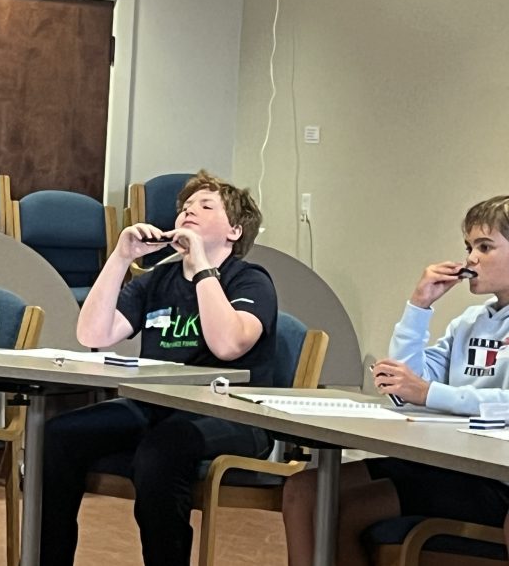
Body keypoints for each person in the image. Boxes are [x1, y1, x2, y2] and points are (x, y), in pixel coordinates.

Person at [40, 170, 276, 566]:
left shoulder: (251, 281)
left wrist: (202, 265)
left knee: (161, 450)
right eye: (185, 207)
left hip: (232, 413)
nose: (189, 212)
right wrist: (121, 257)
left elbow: (229, 344)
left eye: (205, 206)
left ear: (234, 231)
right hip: (157, 404)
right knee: (60, 435)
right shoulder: (159, 277)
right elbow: (92, 333)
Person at [282, 195, 509, 566]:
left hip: (490, 477)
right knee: (304, 489)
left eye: (485, 247)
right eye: (469, 247)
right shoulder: (469, 320)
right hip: (445, 460)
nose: (471, 259)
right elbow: (407, 385)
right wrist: (419, 306)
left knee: (346, 511)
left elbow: (500, 404)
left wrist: (428, 392)